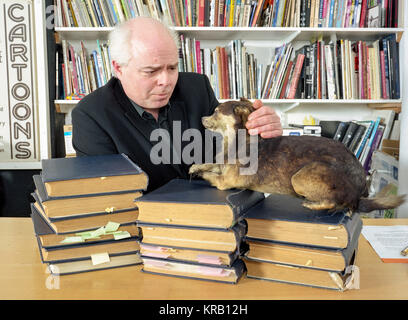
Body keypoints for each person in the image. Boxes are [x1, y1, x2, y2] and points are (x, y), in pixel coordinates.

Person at [72, 17, 282, 192]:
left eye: (172, 67)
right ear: (118, 68)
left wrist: (262, 134)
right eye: (151, 71)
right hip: (149, 228)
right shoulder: (91, 115)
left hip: (216, 214)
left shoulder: (197, 87)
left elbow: (237, 157)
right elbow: (110, 198)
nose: (166, 81)